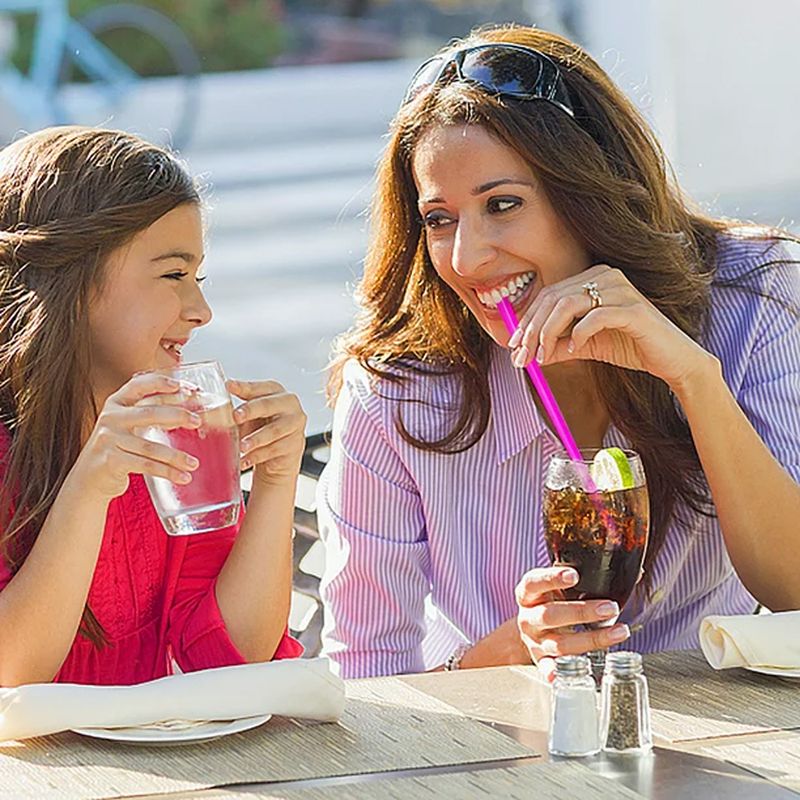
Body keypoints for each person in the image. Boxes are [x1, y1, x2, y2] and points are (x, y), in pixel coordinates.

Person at [317, 24, 800, 679]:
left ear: (588, 191)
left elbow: (794, 591)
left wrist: (693, 377)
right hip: (497, 734)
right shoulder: (397, 389)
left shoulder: (754, 294)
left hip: (725, 730)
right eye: (440, 219)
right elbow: (365, 680)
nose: (466, 259)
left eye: (502, 204)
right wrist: (507, 657)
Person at [0, 127, 305, 687]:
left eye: (198, 277)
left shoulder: (165, 443)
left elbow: (232, 658)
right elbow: (11, 677)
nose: (201, 310)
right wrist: (89, 489)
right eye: (174, 275)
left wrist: (275, 483)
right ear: (71, 281)